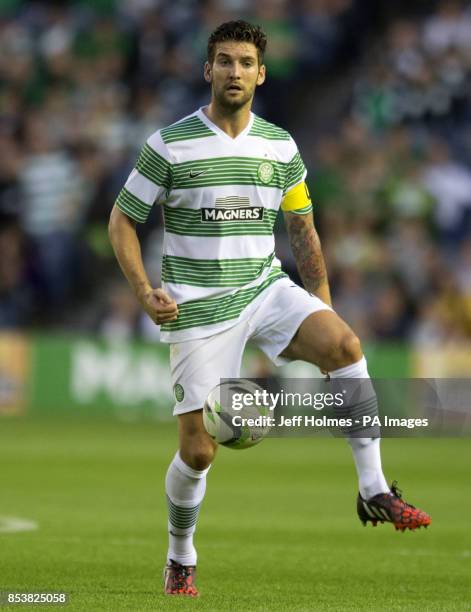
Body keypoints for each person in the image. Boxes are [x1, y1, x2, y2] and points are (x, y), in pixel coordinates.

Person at [108, 20, 431, 598]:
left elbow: (302, 229)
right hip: (198, 308)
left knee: (347, 347)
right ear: (208, 70)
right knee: (199, 451)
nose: (235, 71)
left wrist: (323, 311)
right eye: (225, 61)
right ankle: (181, 554)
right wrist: (141, 289)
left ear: (262, 73)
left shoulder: (280, 147)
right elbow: (121, 219)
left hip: (264, 289)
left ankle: (374, 488)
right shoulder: (169, 144)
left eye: (246, 62)